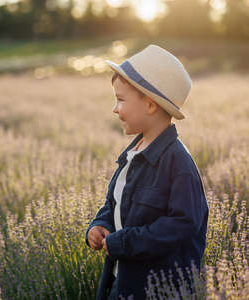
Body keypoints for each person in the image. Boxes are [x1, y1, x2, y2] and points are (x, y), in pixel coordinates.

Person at [85, 45, 209, 300]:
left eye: (120, 99)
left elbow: (182, 225)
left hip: (156, 290)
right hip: (122, 280)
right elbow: (116, 203)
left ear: (151, 105)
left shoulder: (178, 163)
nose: (115, 108)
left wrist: (123, 242)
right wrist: (99, 225)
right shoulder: (134, 153)